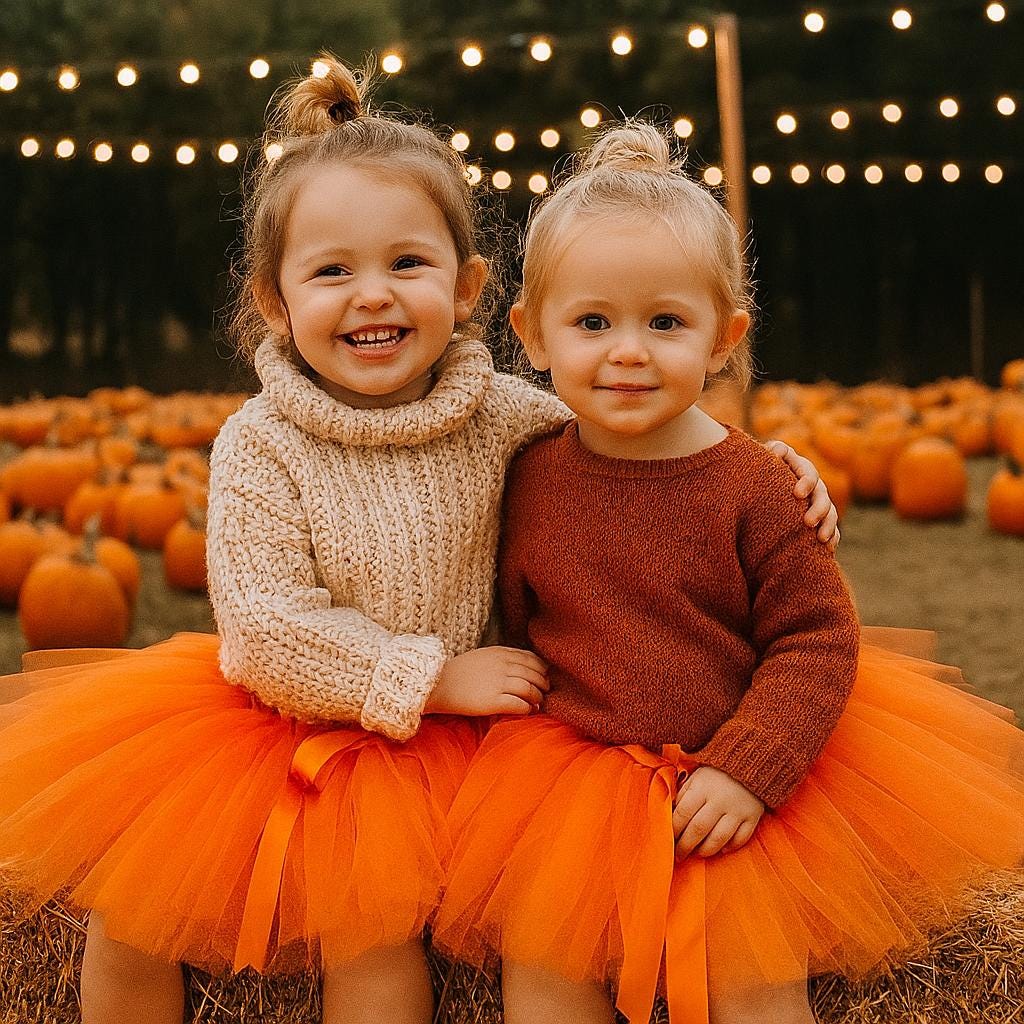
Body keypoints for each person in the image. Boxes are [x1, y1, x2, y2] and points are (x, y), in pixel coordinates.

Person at [0, 64, 835, 1024]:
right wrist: (430, 676)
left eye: (407, 264)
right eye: (331, 272)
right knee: (132, 917)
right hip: (289, 722)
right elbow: (266, 628)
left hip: (437, 755)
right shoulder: (259, 445)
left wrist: (773, 465)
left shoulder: (511, 418)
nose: (373, 297)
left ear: (467, 286)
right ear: (274, 299)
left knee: (373, 939)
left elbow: (637, 437)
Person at [432, 123, 1024, 1024]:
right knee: (544, 967)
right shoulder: (527, 471)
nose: (628, 351)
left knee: (754, 977)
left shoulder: (754, 486)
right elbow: (515, 616)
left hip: (735, 766)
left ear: (724, 338)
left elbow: (816, 640)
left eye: (665, 323)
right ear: (532, 335)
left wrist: (749, 769)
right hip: (575, 782)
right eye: (592, 323)